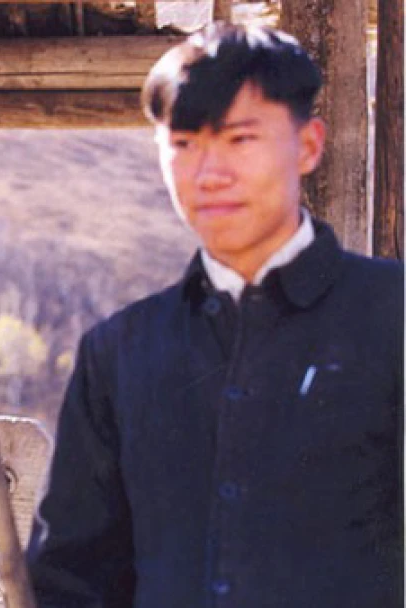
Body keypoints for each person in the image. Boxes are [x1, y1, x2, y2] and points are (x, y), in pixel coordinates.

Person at [26, 23, 403, 607]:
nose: (210, 173)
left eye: (239, 139)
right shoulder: (119, 351)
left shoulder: (392, 314)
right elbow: (69, 581)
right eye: (184, 144)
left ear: (308, 146)